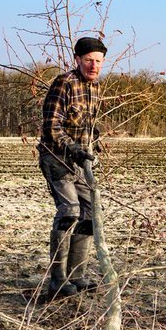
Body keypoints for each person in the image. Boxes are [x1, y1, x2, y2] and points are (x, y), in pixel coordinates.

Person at [38, 36, 106, 299]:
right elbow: (51, 126)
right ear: (77, 60)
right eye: (89, 60)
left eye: (98, 61)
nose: (94, 66)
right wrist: (73, 148)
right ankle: (58, 281)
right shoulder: (64, 83)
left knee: (91, 213)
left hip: (79, 162)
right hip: (56, 158)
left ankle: (77, 275)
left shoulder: (96, 88)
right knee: (69, 211)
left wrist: (94, 142)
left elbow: (89, 124)